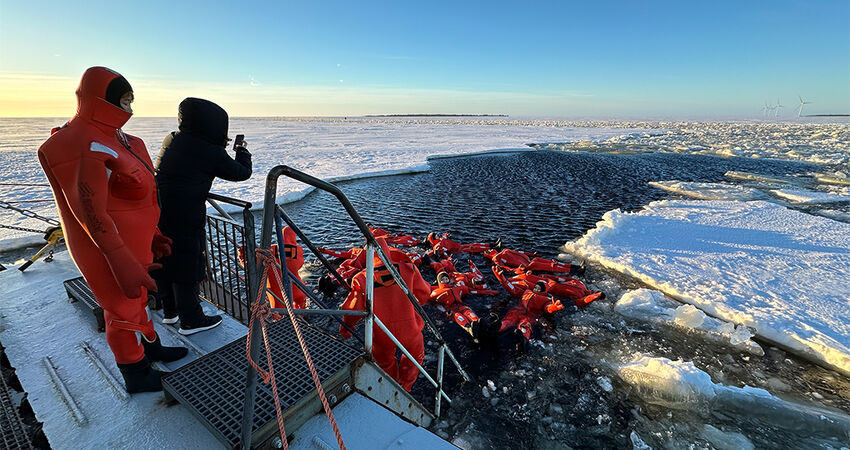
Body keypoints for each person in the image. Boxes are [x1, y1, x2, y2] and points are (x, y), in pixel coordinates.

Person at [37, 67, 187, 393]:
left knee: (138, 299)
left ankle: (150, 345)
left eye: (131, 100)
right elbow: (89, 212)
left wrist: (153, 234)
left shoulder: (122, 140)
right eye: (122, 100)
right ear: (97, 98)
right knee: (120, 307)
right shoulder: (75, 142)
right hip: (107, 248)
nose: (129, 109)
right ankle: (135, 371)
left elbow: (139, 195)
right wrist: (120, 259)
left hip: (136, 243)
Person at [154, 97, 252, 335]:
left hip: (158, 210)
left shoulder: (174, 138)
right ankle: (191, 320)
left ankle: (170, 312)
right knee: (187, 262)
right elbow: (241, 173)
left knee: (165, 257)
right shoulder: (209, 151)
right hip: (185, 214)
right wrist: (242, 151)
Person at [338, 238, 431, 391]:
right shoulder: (409, 269)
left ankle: (392, 387)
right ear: (388, 252)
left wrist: (346, 328)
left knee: (385, 363)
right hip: (410, 329)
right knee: (414, 357)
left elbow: (353, 309)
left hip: (381, 335)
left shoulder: (361, 278)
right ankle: (406, 386)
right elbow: (424, 294)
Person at [428, 271, 498, 340]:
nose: (445, 281)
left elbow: (469, 290)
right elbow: (429, 300)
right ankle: (469, 328)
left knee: (467, 311)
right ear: (439, 281)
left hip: (460, 305)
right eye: (442, 280)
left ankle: (479, 323)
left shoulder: (457, 287)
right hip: (450, 309)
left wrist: (489, 292)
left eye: (446, 279)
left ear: (449, 279)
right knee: (457, 315)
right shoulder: (436, 293)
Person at [493, 266, 604, 307]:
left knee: (524, 282)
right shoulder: (580, 284)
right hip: (547, 283)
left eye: (594, 292)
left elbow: (582, 302)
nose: (592, 291)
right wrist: (546, 276)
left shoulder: (580, 293)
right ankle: (505, 278)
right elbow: (562, 279)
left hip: (547, 287)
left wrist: (593, 297)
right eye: (594, 291)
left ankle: (505, 279)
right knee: (525, 278)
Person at [485, 247, 584, 275]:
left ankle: (575, 267)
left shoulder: (504, 250)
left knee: (552, 263)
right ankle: (575, 272)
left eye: (489, 249)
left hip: (531, 260)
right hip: (528, 266)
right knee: (550, 266)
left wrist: (532, 254)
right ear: (488, 255)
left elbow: (519, 251)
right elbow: (503, 268)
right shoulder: (496, 259)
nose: (490, 250)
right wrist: (515, 271)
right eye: (487, 251)